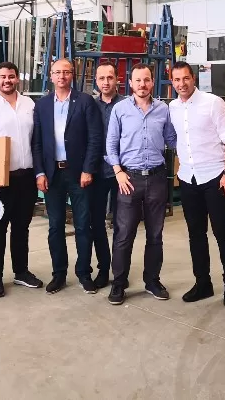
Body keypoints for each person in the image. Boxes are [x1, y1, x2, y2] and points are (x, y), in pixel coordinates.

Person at [168, 62, 225, 307]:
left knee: (222, 232)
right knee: (195, 234)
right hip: (188, 178)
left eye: (185, 78)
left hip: (215, 177)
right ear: (172, 82)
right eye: (177, 80)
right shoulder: (172, 107)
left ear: (193, 78)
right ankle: (203, 283)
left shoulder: (212, 103)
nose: (182, 84)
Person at [105, 64, 177, 305]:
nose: (142, 84)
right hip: (129, 179)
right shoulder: (120, 109)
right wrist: (118, 172)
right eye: (138, 80)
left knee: (155, 234)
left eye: (146, 80)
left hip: (156, 178)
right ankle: (118, 283)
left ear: (152, 82)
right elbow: (111, 143)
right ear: (130, 83)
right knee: (124, 234)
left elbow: (172, 140)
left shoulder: (163, 109)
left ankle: (152, 281)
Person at [0, 62, 43, 298]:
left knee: (21, 227)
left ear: (17, 79)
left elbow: (36, 139)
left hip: (26, 177)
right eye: (2, 77)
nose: (7, 80)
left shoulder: (29, 105)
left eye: (11, 76)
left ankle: (21, 272)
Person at [32, 58, 103, 295]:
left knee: (83, 225)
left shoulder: (85, 102)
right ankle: (59, 274)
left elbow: (95, 138)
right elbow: (37, 143)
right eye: (57, 72)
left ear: (73, 75)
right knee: (55, 226)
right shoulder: (42, 105)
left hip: (79, 174)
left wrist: (88, 169)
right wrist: (40, 172)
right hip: (52, 175)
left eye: (66, 72)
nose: (61, 76)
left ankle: (84, 273)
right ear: (51, 76)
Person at [91, 63, 122, 289]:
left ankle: (120, 271)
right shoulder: (90, 105)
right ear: (96, 80)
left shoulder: (127, 104)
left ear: (117, 79)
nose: (105, 82)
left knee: (122, 225)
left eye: (110, 77)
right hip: (96, 173)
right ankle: (103, 269)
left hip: (122, 173)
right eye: (101, 78)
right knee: (97, 224)